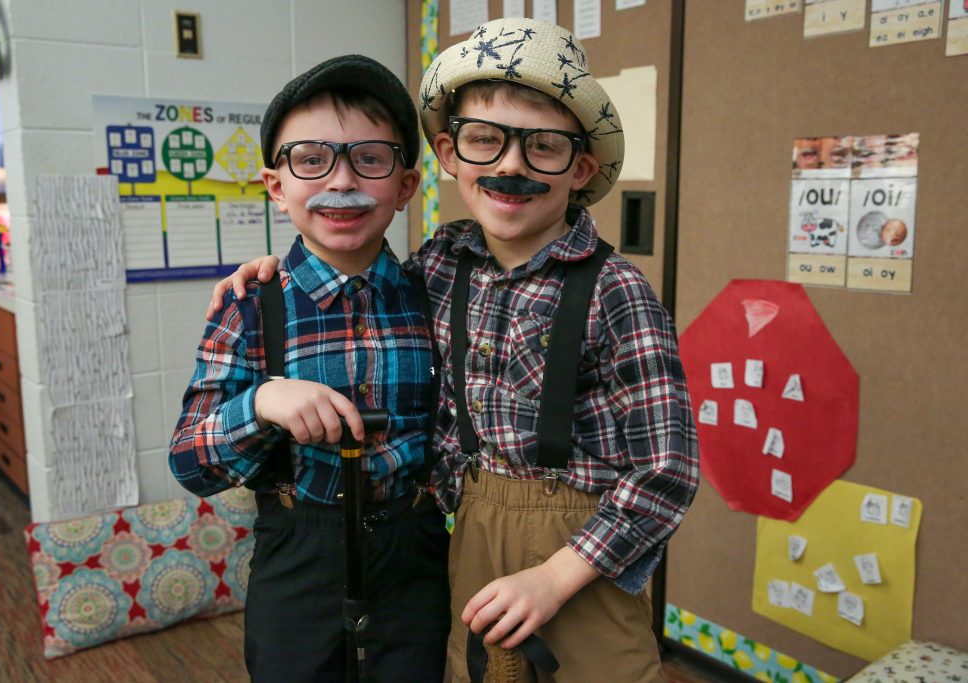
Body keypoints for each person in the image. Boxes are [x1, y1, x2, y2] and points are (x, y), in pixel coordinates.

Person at [208, 19, 699, 683]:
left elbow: (666, 472)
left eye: (544, 146)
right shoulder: (437, 267)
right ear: (448, 151)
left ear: (580, 167)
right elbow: (356, 282)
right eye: (485, 140)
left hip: (580, 560)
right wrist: (275, 273)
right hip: (463, 540)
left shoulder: (617, 291)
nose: (510, 165)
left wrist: (556, 577)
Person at [169, 54, 450, 683]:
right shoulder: (250, 304)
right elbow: (190, 463)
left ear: (405, 186)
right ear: (276, 185)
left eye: (370, 159)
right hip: (298, 550)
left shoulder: (434, 292)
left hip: (413, 552)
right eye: (311, 159)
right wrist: (259, 404)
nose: (341, 182)